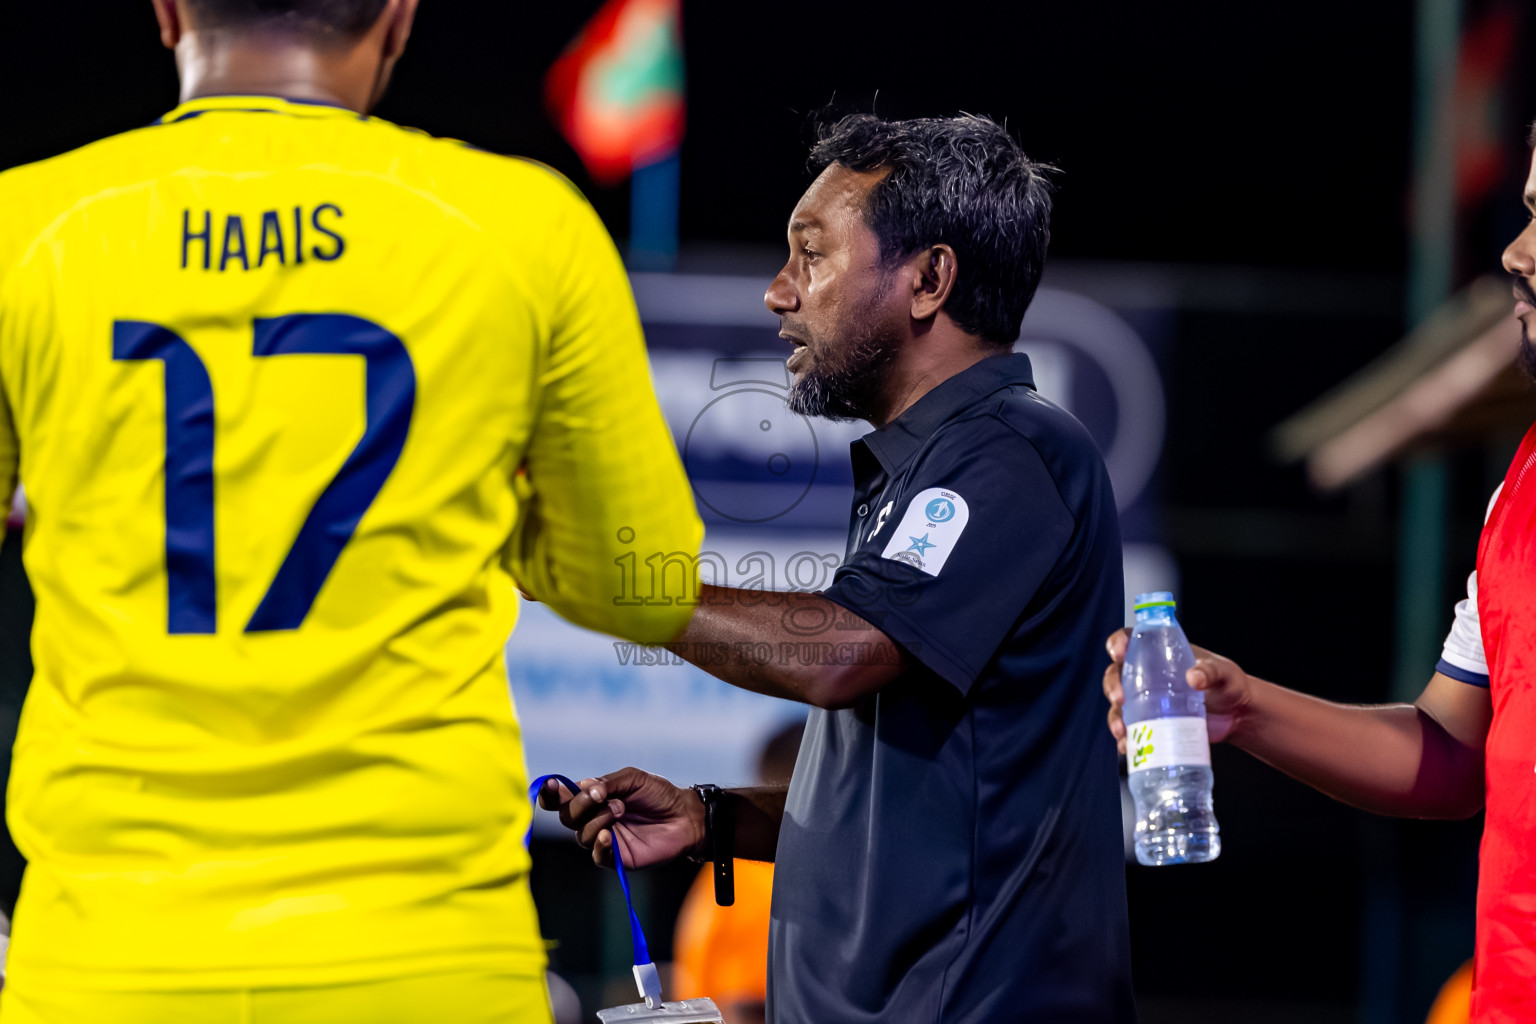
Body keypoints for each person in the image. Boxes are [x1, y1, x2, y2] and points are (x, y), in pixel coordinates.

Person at [0, 1, 702, 1021]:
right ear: (401, 17)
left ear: (166, 13)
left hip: (107, 958)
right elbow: (646, 588)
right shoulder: (522, 224)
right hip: (431, 958)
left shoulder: (27, 224)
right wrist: (478, 496)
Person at [541, 112, 1136, 1022]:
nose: (778, 292)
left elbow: (841, 655)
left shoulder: (1012, 451)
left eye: (811, 254)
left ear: (929, 280)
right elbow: (915, 812)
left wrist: (607, 582)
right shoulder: (932, 468)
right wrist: (715, 817)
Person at [1102, 126, 1536, 1024]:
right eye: (1528, 212)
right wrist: (1244, 708)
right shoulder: (1521, 488)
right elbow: (1451, 753)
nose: (1516, 252)